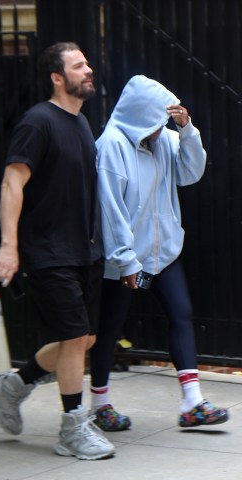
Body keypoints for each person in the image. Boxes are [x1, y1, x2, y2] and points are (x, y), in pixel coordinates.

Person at [0, 42, 115, 460]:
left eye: (87, 64)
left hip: (83, 251)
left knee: (84, 338)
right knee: (74, 336)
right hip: (47, 250)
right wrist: (9, 246)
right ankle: (72, 429)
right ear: (58, 77)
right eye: (79, 66)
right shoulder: (37, 122)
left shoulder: (82, 125)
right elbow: (11, 183)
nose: (88, 70)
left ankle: (13, 386)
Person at [89, 74, 229, 431]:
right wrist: (124, 261)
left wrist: (187, 131)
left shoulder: (165, 140)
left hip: (162, 250)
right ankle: (99, 403)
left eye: (163, 121)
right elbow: (111, 209)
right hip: (124, 258)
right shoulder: (111, 146)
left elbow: (191, 173)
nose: (160, 128)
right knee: (110, 327)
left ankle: (192, 403)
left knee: (181, 312)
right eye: (157, 121)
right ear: (140, 116)